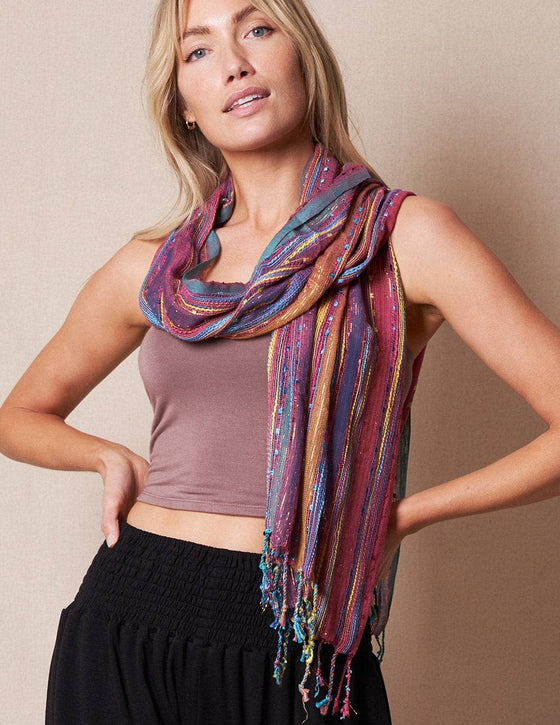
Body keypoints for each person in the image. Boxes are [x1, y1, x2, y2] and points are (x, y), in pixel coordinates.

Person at [1, 0, 559, 722]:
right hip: (126, 610)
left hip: (298, 633)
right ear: (185, 107)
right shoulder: (159, 269)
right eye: (199, 50)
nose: (234, 63)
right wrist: (106, 457)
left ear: (304, 58)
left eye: (257, 29)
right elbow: (19, 415)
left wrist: (403, 514)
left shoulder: (402, 238)